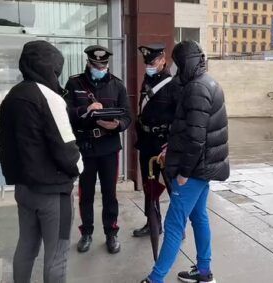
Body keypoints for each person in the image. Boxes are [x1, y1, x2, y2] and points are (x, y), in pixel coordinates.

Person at [141, 40, 230, 283]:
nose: (177, 69)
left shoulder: (197, 88)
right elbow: (193, 130)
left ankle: (155, 279)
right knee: (199, 217)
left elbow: (196, 139)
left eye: (179, 64)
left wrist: (184, 173)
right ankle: (203, 272)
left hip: (193, 170)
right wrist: (172, 147)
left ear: (185, 62)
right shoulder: (208, 83)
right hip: (202, 168)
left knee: (173, 225)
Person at [0, 40, 83, 283]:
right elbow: (66, 149)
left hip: (23, 189)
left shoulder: (12, 97)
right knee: (57, 256)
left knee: (26, 247)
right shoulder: (50, 97)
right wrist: (78, 168)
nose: (57, 76)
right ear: (49, 68)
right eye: (56, 70)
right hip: (53, 193)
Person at [63, 45, 132, 254]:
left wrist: (117, 125)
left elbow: (127, 116)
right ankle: (86, 232)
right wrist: (86, 109)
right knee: (86, 194)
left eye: (103, 65)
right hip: (85, 147)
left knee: (110, 193)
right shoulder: (75, 83)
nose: (100, 68)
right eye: (96, 65)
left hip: (109, 146)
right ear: (88, 63)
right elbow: (65, 113)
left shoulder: (117, 85)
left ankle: (111, 233)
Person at [132, 43, 181, 237]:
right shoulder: (147, 81)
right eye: (147, 63)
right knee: (149, 185)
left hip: (164, 144)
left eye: (152, 62)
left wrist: (171, 144)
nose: (149, 66)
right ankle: (153, 223)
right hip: (146, 143)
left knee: (171, 186)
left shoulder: (172, 85)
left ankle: (177, 225)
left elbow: (179, 119)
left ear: (163, 60)